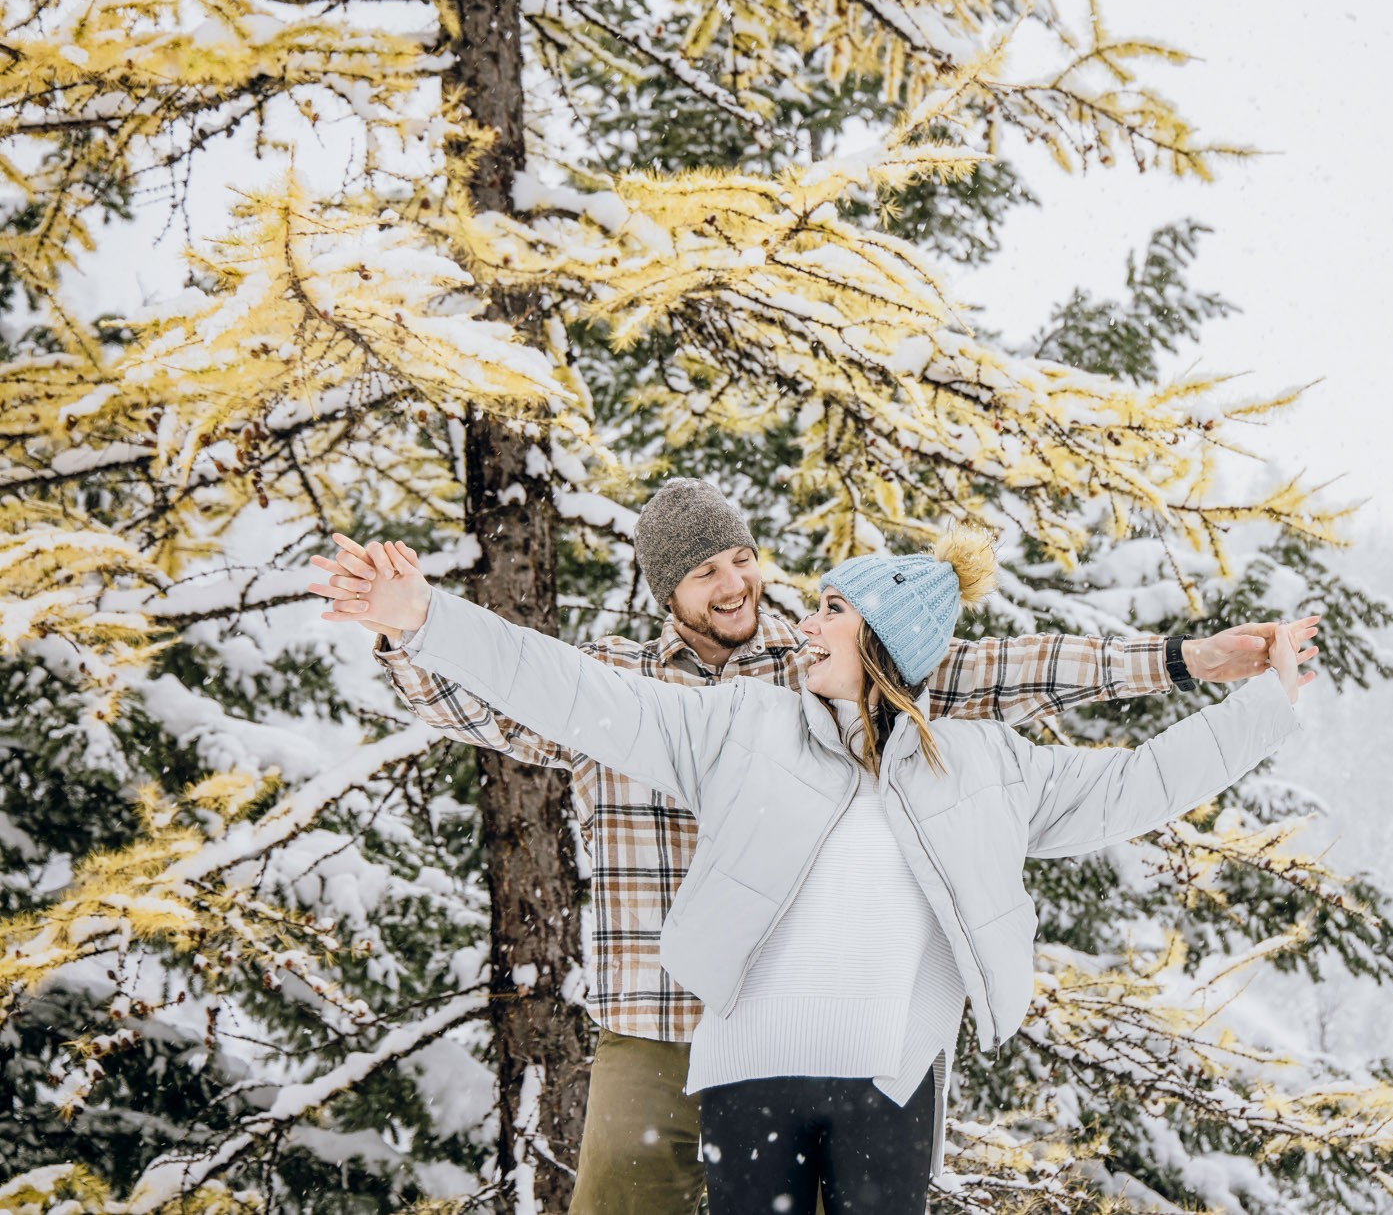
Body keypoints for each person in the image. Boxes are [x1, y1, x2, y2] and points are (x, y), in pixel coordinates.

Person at [309, 479, 1317, 1215]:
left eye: (742, 557)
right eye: (705, 570)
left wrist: (1184, 661)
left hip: (815, 1040)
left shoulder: (814, 669)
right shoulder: (653, 694)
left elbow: (996, 669)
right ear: (668, 588)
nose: (736, 581)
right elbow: (524, 689)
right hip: (661, 1025)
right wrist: (412, 629)